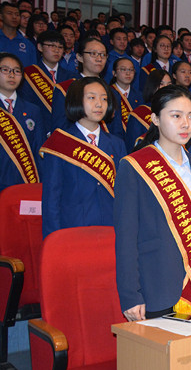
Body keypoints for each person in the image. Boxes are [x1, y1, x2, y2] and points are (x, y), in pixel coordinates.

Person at [114, 85, 191, 321]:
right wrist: (130, 294)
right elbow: (126, 238)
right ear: (155, 119)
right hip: (156, 285)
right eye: (176, 116)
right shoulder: (134, 166)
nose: (186, 124)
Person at [40, 77, 126, 238]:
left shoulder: (117, 144)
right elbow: (51, 198)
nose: (99, 104)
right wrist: (53, 239)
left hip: (111, 230)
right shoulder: (59, 143)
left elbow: (124, 194)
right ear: (77, 101)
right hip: (73, 230)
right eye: (92, 98)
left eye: (104, 99)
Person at [0, 52, 45, 192]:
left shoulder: (33, 110)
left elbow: (39, 150)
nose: (12, 75)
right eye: (5, 70)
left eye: (17, 71)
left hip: (26, 182)